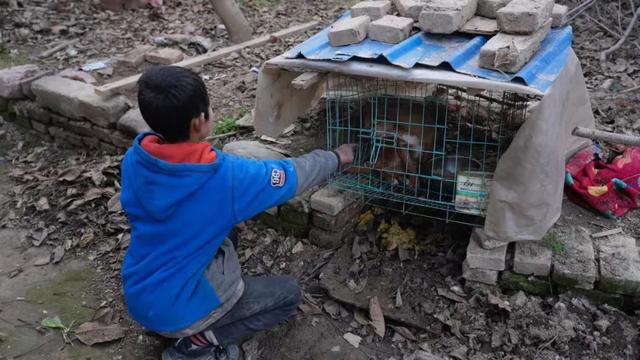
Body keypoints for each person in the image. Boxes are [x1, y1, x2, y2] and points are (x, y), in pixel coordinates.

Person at [119, 65, 355, 360]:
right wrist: (337, 156)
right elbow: (290, 175)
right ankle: (199, 343)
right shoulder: (225, 177)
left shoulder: (136, 158)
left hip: (140, 293)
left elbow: (180, 210)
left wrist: (225, 216)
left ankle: (171, 324)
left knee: (230, 227)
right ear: (198, 123)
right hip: (179, 309)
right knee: (288, 294)